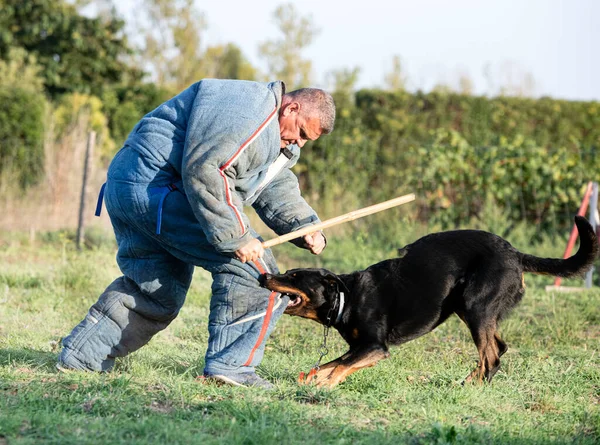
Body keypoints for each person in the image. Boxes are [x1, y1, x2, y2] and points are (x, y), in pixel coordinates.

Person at [57, 79, 335, 389]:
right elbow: (207, 170)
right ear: (292, 107)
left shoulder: (269, 130)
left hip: (136, 186)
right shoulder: (250, 112)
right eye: (300, 132)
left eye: (306, 140)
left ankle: (82, 357)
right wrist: (236, 236)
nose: (298, 143)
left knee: (156, 291)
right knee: (260, 276)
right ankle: (231, 368)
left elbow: (270, 181)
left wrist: (305, 225)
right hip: (157, 188)